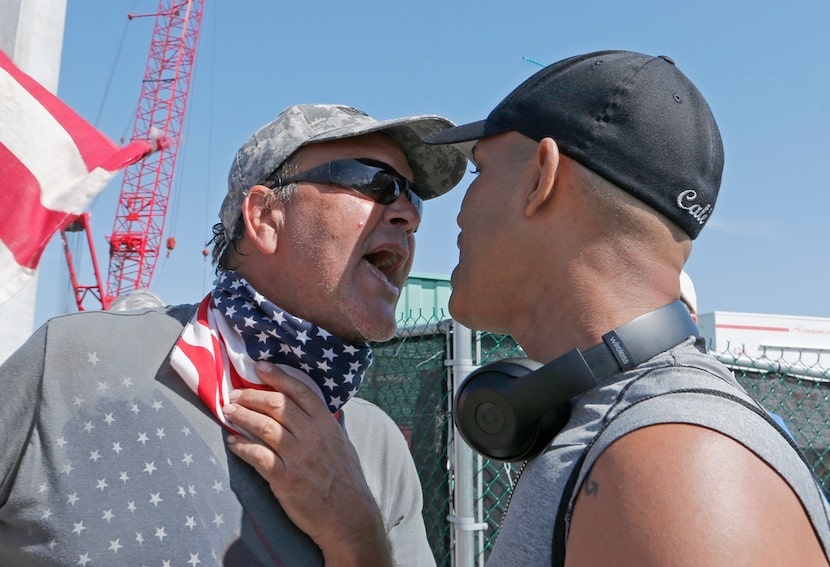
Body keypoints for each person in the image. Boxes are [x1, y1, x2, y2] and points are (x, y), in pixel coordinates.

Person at [0, 103, 467, 566]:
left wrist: (357, 539)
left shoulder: (378, 446)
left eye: (413, 196)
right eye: (375, 181)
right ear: (264, 216)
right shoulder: (72, 362)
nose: (409, 214)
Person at [422, 50, 830, 565]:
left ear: (540, 178)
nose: (457, 210)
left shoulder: (673, 469)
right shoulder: (636, 437)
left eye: (478, 171)